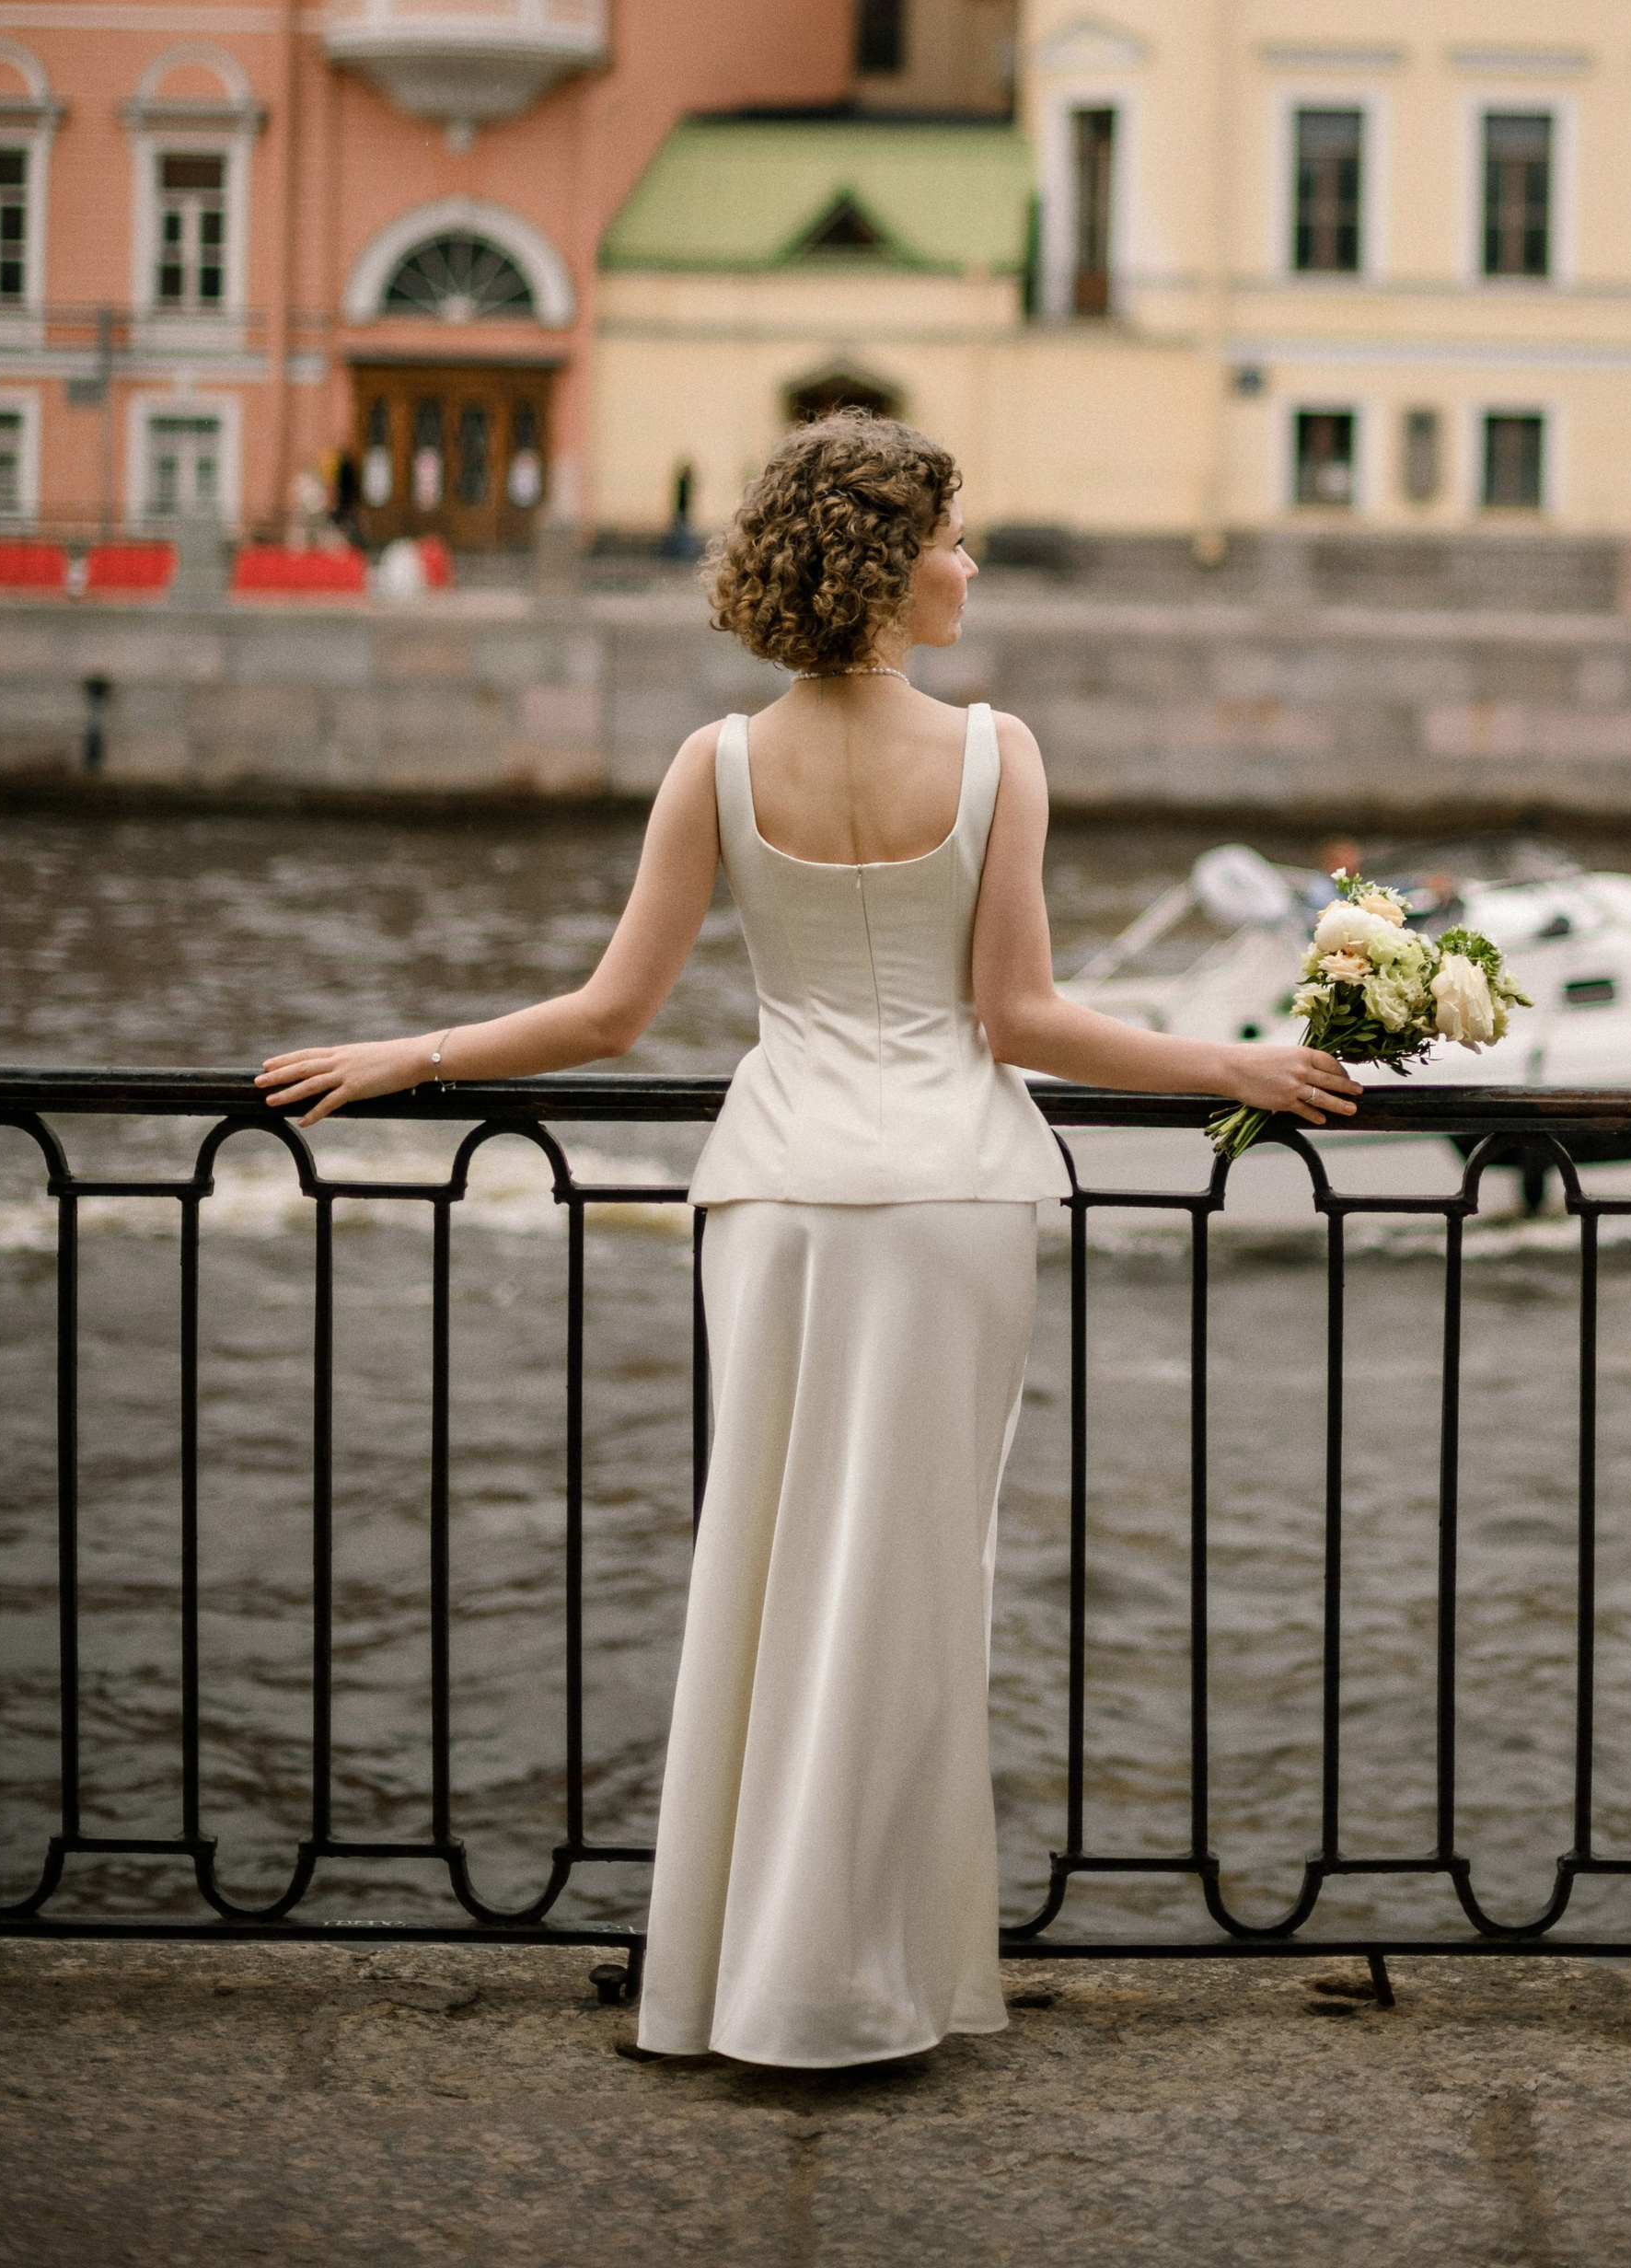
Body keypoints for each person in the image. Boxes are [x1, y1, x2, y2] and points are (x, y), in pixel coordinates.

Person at [255, 412, 1351, 2073]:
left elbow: (614, 1013)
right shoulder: (998, 754)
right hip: (945, 1204)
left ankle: (727, 1984)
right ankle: (864, 1987)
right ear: (894, 562)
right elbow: (1024, 1017)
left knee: (758, 1578)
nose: (967, 564)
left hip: (772, 1202)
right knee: (908, 1596)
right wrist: (1238, 1061)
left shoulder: (717, 759)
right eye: (953, 537)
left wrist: (410, 1053)